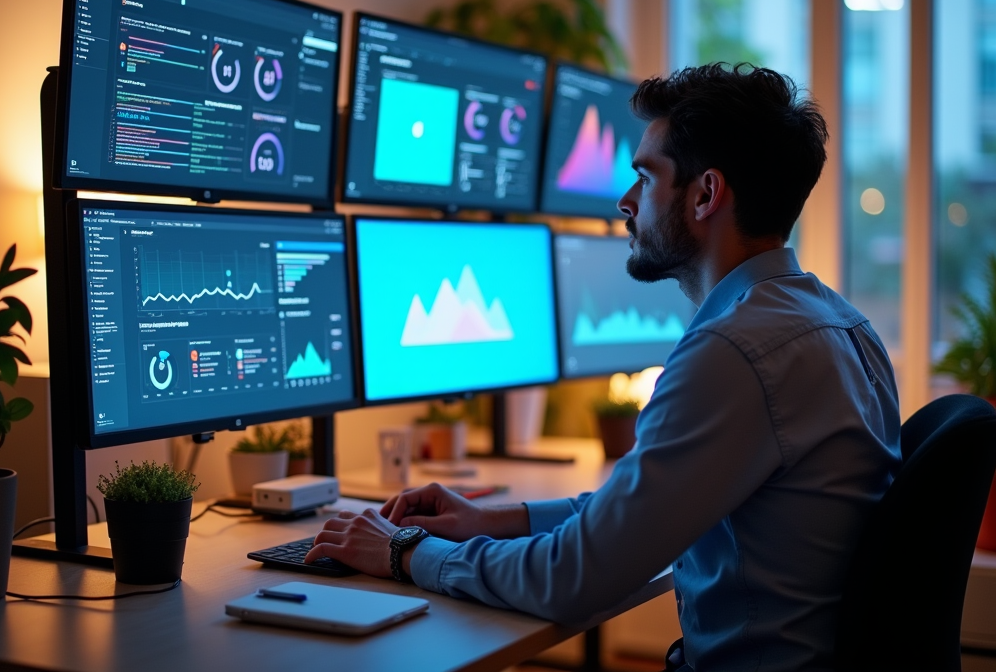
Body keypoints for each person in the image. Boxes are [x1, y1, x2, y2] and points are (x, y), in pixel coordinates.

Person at [307, 63, 901, 672]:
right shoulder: (845, 325)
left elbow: (577, 579)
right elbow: (641, 507)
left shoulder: (733, 353)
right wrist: (496, 519)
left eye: (646, 176)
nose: (626, 200)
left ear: (706, 194)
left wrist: (406, 550)